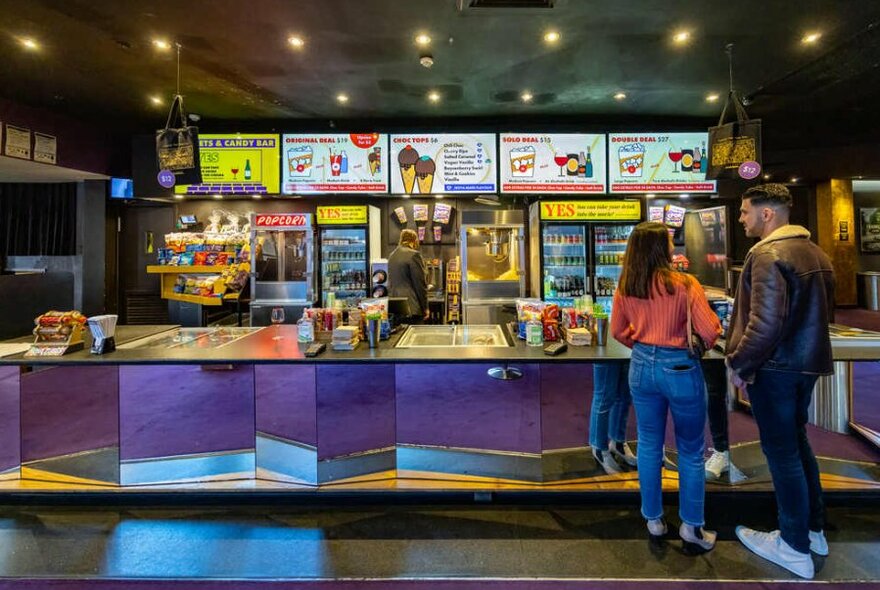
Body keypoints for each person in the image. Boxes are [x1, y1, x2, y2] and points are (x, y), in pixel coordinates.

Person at [726, 184, 835, 579]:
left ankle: (792, 545)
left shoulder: (768, 254)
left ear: (766, 214)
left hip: (774, 369)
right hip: (805, 366)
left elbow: (765, 323)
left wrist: (739, 363)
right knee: (799, 444)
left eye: (744, 211)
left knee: (782, 453)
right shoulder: (815, 252)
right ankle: (812, 529)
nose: (741, 219)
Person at [610, 221, 722, 554]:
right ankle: (692, 527)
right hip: (681, 366)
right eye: (670, 242)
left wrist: (644, 348)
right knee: (689, 449)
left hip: (642, 365)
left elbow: (617, 330)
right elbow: (711, 329)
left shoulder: (627, 285)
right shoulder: (685, 284)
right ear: (662, 249)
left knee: (647, 443)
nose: (673, 246)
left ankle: (654, 520)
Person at [589, 362, 637, 474]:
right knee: (604, 397)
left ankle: (618, 443)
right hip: (604, 349)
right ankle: (599, 448)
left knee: (624, 396)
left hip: (628, 347)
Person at [388, 229, 430, 324]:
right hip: (412, 308)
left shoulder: (392, 256)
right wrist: (425, 307)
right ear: (414, 240)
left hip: (396, 307)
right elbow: (420, 284)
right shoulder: (414, 255)